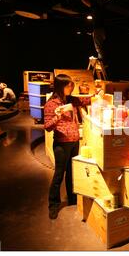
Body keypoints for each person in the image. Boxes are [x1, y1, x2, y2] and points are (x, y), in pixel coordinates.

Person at [44, 74, 97, 220]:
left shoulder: (71, 100)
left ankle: (72, 199)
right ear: (61, 86)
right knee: (59, 174)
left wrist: (97, 95)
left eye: (72, 85)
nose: (71, 87)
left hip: (74, 142)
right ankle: (53, 204)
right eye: (69, 85)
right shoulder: (51, 104)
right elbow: (47, 127)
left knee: (72, 172)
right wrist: (58, 116)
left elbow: (85, 100)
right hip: (61, 144)